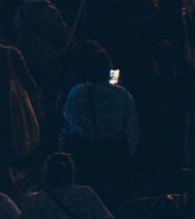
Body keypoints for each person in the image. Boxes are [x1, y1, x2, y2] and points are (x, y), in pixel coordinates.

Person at [61, 45, 143, 207]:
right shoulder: (121, 94)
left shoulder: (76, 93)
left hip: (85, 156)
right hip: (114, 155)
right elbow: (132, 130)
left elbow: (68, 127)